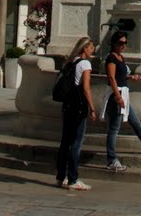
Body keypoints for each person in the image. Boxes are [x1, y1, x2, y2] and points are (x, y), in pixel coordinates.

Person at [102, 30, 141, 171]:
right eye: (121, 43)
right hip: (116, 95)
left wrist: (132, 77)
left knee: (135, 122)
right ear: (114, 43)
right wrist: (118, 97)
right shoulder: (111, 58)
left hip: (124, 94)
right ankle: (111, 160)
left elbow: (120, 75)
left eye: (125, 43)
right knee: (114, 128)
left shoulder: (120, 57)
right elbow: (111, 78)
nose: (123, 45)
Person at [55, 36, 97, 191]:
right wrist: (92, 108)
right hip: (79, 107)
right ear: (84, 48)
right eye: (91, 47)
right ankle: (73, 179)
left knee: (65, 142)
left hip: (67, 105)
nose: (93, 50)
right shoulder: (85, 63)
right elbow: (86, 88)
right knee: (77, 143)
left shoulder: (71, 62)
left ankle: (61, 177)